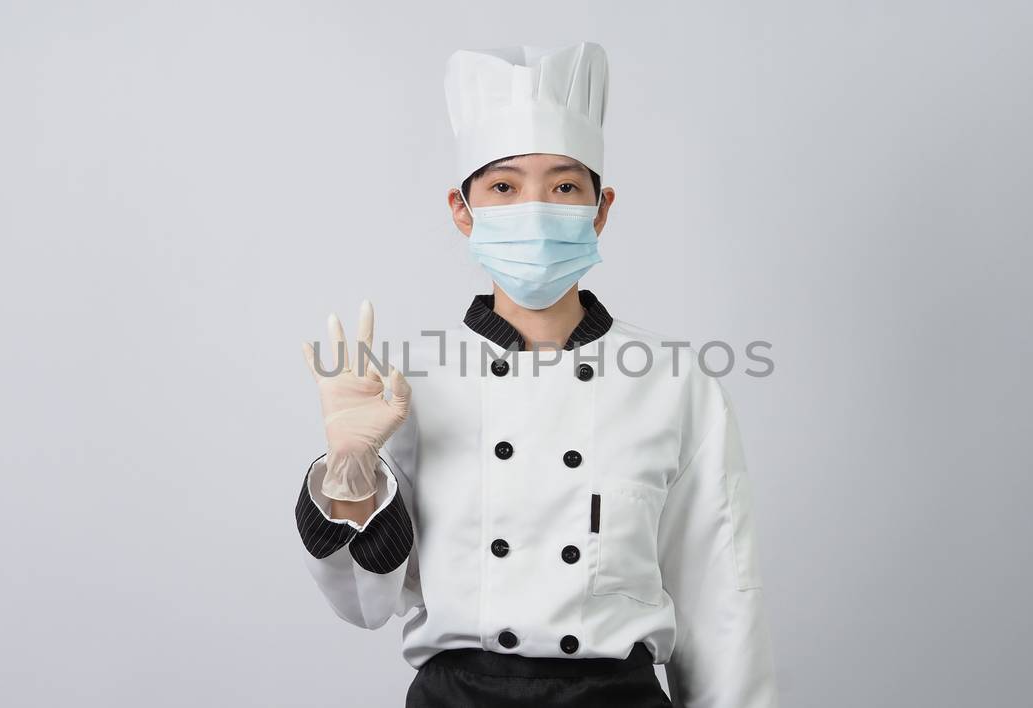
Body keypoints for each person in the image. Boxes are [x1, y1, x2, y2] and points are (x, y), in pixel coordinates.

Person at [293, 41, 778, 708]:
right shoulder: (408, 389)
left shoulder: (675, 385)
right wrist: (348, 478)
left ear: (600, 208)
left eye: (564, 185)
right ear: (463, 211)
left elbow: (723, 602)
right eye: (503, 186)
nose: (536, 208)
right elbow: (365, 603)